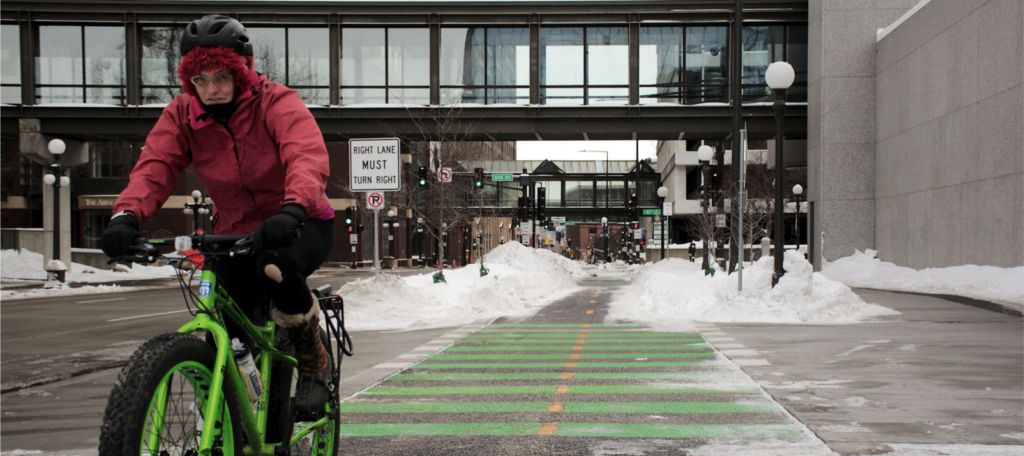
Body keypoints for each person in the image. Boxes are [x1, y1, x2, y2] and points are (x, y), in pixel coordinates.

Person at [100, 15, 335, 415]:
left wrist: (292, 208)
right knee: (223, 322)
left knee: (274, 266)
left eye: (222, 77)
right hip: (235, 234)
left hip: (300, 221)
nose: (211, 89)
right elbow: (154, 167)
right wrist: (125, 216)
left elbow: (305, 155)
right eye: (201, 80)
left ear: (242, 70)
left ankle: (313, 360)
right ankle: (229, 413)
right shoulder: (181, 114)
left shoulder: (276, 102)